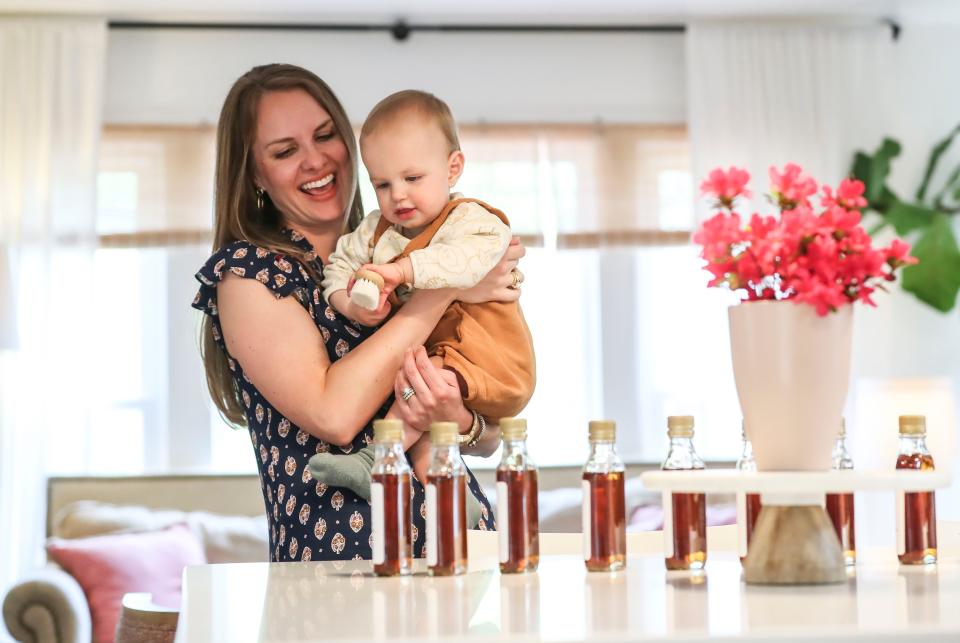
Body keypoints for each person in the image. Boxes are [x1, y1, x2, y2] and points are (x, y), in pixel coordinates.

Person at [192, 64, 525, 562]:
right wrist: (447, 290)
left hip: (460, 544)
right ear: (255, 173)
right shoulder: (251, 274)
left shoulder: (396, 247)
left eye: (326, 136)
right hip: (343, 564)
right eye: (285, 151)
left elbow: (486, 437)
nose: (315, 160)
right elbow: (336, 416)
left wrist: (456, 415)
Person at [308, 90, 536, 519]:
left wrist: (403, 272)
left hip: (488, 354)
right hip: (438, 360)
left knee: (421, 382)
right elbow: (338, 267)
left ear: (453, 168)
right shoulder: (376, 230)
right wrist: (349, 303)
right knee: (425, 404)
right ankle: (453, 499)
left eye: (413, 179)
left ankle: (378, 454)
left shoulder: (471, 220)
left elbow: (464, 261)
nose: (398, 196)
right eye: (382, 184)